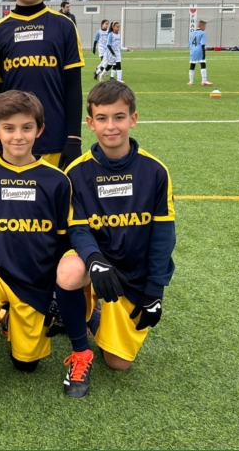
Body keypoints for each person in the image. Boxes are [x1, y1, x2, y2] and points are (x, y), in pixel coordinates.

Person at [0, 90, 93, 404]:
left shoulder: (57, 180)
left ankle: (9, 318)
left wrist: (56, 291)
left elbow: (64, 239)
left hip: (35, 281)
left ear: (40, 130)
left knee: (26, 365)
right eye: (9, 128)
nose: (18, 136)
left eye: (27, 127)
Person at [58, 80, 175, 385]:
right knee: (69, 272)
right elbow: (78, 228)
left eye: (119, 117)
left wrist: (155, 292)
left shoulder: (155, 171)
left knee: (118, 363)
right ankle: (80, 349)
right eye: (102, 118)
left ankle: (90, 317)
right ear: (90, 123)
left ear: (133, 119)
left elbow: (163, 238)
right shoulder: (76, 172)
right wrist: (95, 260)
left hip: (133, 272)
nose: (111, 126)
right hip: (94, 262)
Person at [0, 0, 84, 170]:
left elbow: (73, 86)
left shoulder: (64, 26)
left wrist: (74, 138)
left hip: (55, 141)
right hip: (11, 143)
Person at [187, 20, 212, 86]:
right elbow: (203, 44)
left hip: (192, 51)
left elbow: (189, 44)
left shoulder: (192, 33)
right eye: (204, 26)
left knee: (192, 65)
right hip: (199, 50)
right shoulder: (203, 33)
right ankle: (204, 81)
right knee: (203, 64)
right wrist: (204, 53)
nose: (205, 28)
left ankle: (190, 81)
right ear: (201, 26)